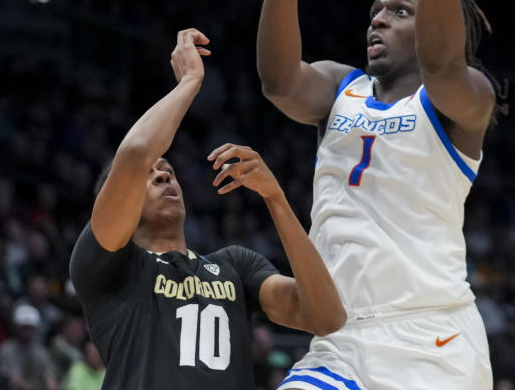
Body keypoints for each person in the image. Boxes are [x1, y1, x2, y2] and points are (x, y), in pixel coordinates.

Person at [252, 0, 504, 389]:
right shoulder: (341, 88)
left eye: (400, 11)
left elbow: (441, 64)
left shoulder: (465, 99)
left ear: (437, 22)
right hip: (339, 338)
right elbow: (278, 81)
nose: (378, 20)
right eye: (376, 11)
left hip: (433, 342)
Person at [69, 29, 346, 389]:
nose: (162, 175)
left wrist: (276, 199)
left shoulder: (235, 265)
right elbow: (135, 154)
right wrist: (190, 82)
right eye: (149, 175)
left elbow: (325, 317)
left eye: (167, 170)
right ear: (115, 201)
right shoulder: (109, 265)